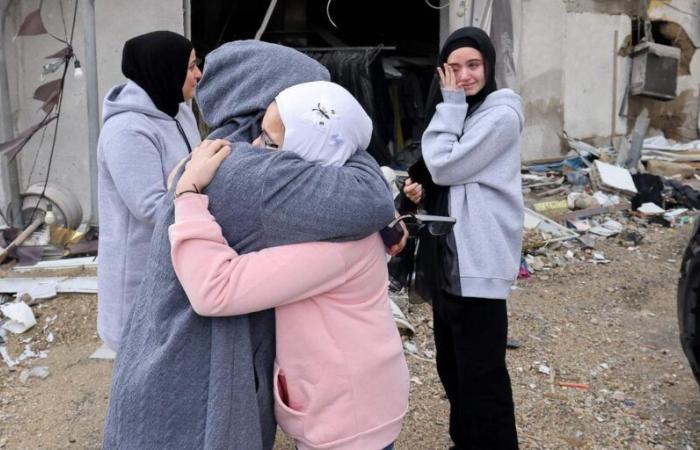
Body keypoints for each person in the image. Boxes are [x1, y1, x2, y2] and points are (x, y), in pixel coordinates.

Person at [102, 41, 398, 450]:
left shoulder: (232, 152)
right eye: (309, 98)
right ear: (266, 101)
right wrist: (344, 137)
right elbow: (372, 198)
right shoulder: (250, 173)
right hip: (192, 377)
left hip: (168, 361)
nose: (321, 105)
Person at [169, 81, 409, 450]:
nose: (253, 148)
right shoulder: (335, 210)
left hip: (348, 417)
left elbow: (215, 289)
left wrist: (188, 195)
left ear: (308, 150)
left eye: (268, 140)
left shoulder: (335, 242)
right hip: (355, 393)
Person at [406, 27, 524, 449]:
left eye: (473, 65)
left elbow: (443, 164)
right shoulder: (465, 114)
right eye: (453, 69)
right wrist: (417, 191)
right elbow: (437, 175)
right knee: (451, 368)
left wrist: (450, 103)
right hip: (451, 259)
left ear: (489, 66)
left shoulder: (500, 115)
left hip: (480, 260)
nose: (463, 77)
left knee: (482, 376)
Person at [96, 30, 202, 352]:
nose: (199, 74)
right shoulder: (127, 130)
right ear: (165, 70)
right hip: (140, 272)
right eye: (190, 67)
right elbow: (151, 208)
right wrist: (200, 189)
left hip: (172, 261)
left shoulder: (177, 109)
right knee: (140, 362)